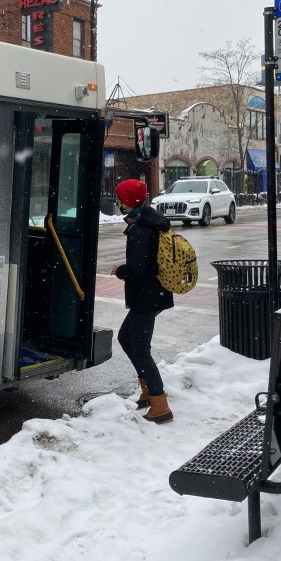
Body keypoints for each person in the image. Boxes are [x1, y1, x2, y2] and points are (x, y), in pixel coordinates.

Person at [110, 178, 174, 424]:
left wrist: (119, 270)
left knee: (139, 347)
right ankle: (148, 390)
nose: (118, 202)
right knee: (126, 338)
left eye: (120, 198)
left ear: (127, 202)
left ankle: (160, 404)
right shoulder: (149, 218)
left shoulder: (140, 229)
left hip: (147, 297)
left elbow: (138, 269)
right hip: (153, 295)